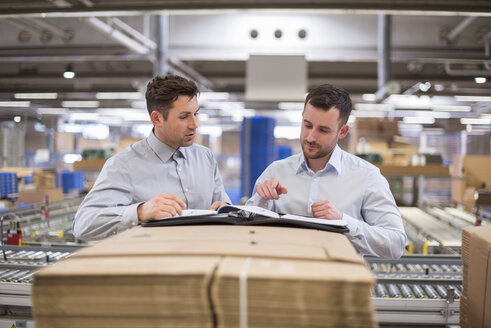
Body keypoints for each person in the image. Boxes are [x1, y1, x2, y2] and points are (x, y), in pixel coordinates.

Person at [246, 84, 406, 259]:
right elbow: (246, 233)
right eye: (307, 125)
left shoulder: (367, 177)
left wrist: (343, 222)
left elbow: (395, 245)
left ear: (343, 131)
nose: (310, 137)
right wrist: (262, 202)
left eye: (323, 130)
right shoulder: (276, 171)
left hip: (342, 285)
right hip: (284, 281)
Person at [73, 74, 230, 240]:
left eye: (195, 114)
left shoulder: (205, 158)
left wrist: (225, 208)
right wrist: (140, 212)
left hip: (203, 259)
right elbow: (83, 224)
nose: (194, 125)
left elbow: (223, 205)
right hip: (154, 263)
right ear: (157, 118)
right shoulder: (124, 165)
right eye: (184, 117)